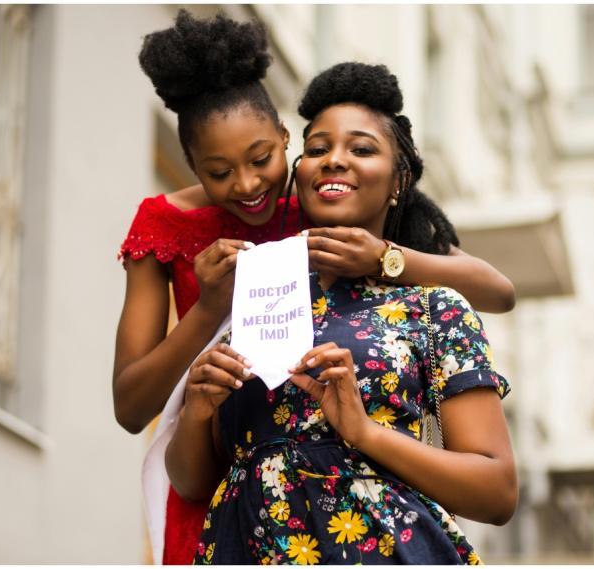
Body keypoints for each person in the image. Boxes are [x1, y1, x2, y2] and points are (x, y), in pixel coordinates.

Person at [116, 11, 514, 565]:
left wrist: (388, 258)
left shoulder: (412, 290)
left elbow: (496, 291)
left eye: (261, 160)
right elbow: (163, 439)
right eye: (220, 172)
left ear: (282, 144)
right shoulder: (223, 268)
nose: (249, 186)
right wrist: (208, 318)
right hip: (234, 524)